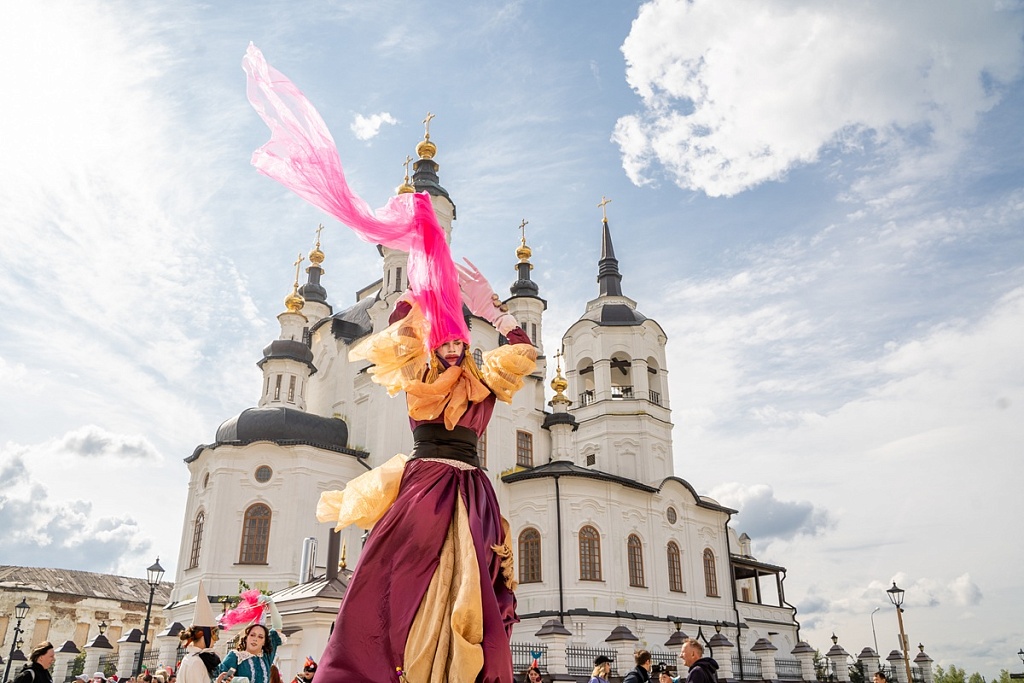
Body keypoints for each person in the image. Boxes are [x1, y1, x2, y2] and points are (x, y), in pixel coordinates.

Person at [243, 43, 537, 683]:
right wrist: (414, 290)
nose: (453, 344)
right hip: (425, 483)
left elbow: (523, 355)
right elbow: (404, 336)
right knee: (397, 576)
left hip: (471, 489)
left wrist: (495, 309)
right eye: (445, 340)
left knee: (475, 587)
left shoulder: (481, 378)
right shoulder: (420, 374)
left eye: (459, 340)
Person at [218, 594, 284, 683]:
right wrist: (238, 680)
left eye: (260, 637)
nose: (255, 639)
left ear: (264, 642)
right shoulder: (235, 657)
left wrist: (270, 603)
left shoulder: (266, 657)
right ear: (246, 638)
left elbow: (277, 627)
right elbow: (222, 679)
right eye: (252, 635)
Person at [178, 581, 232, 683]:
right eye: (214, 634)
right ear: (203, 635)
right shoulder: (196, 662)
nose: (216, 639)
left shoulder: (193, 659)